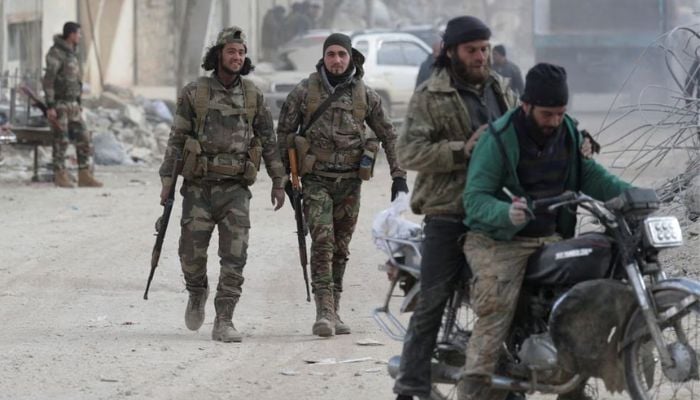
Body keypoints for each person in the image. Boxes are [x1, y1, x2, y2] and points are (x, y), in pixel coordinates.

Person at [459, 63, 631, 400]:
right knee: (494, 312)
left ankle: (571, 386)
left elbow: (591, 176)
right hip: (498, 241)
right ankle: (474, 385)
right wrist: (506, 212)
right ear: (526, 105)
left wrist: (630, 195)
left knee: (580, 305)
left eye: (560, 113)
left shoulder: (567, 131)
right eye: (548, 114)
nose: (554, 121)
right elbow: (474, 199)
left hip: (550, 237)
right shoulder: (499, 138)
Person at [393, 16, 519, 400]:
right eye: (472, 50)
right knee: (433, 299)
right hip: (448, 212)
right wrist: (461, 149)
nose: (481, 57)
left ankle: (509, 379)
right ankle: (411, 382)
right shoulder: (431, 96)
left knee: (511, 298)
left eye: (484, 49)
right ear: (452, 53)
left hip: (495, 214)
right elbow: (408, 152)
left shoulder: (503, 91)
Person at [158, 27, 287, 343]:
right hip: (199, 188)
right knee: (190, 253)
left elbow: (269, 142)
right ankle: (196, 291)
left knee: (235, 256)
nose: (237, 57)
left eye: (241, 52)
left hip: (235, 190)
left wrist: (279, 180)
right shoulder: (195, 93)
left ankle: (224, 320)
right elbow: (176, 140)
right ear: (218, 55)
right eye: (231, 51)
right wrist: (167, 182)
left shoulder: (253, 95)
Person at [277, 33, 408, 337]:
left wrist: (398, 175)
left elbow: (388, 134)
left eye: (342, 55)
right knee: (322, 242)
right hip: (315, 181)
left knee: (341, 247)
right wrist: (285, 176)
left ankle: (335, 307)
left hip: (350, 182)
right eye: (331, 54)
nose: (336, 60)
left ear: (351, 57)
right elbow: (283, 134)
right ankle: (324, 311)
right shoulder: (305, 92)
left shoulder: (365, 95)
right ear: (323, 57)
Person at [42, 21, 102, 188]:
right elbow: (48, 81)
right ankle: (60, 175)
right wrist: (50, 106)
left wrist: (79, 102)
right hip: (60, 105)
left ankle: (84, 174)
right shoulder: (56, 53)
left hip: (73, 105)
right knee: (61, 140)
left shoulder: (72, 53)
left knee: (84, 137)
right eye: (79, 34)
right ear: (71, 35)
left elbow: (75, 81)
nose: (80, 37)